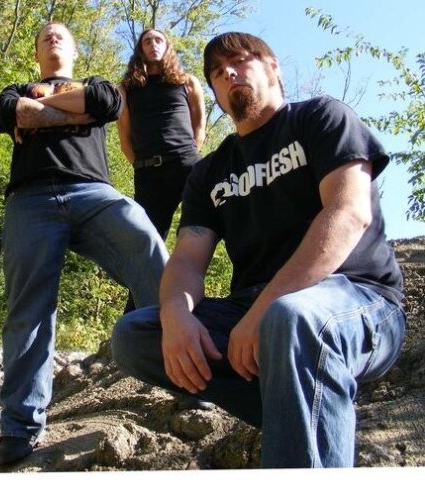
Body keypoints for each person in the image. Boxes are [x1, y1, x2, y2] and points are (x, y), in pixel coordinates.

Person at [112, 32, 406, 468]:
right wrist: (175, 314)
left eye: (240, 61)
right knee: (135, 335)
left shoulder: (320, 118)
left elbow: (348, 214)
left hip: (356, 298)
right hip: (257, 314)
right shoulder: (210, 172)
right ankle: (311, 402)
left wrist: (264, 310)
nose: (228, 73)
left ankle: (305, 425)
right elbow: (188, 258)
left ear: (273, 67)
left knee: (290, 318)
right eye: (216, 72)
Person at [0, 21, 168, 466]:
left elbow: (105, 103)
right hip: (30, 199)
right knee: (28, 310)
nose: (53, 37)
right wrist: (73, 112)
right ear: (36, 53)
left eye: (61, 35)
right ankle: (19, 427)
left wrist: (41, 109)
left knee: (149, 247)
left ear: (74, 49)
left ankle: (191, 375)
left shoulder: (97, 84)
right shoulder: (15, 90)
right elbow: (7, 112)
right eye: (44, 36)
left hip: (92, 191)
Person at [118, 28, 206, 241]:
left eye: (158, 40)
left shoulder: (187, 82)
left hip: (186, 164)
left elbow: (200, 126)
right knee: (148, 239)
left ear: (167, 46)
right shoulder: (126, 90)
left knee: (203, 225)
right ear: (141, 50)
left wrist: (189, 154)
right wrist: (140, 165)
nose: (153, 44)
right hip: (148, 173)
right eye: (147, 41)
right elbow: (124, 137)